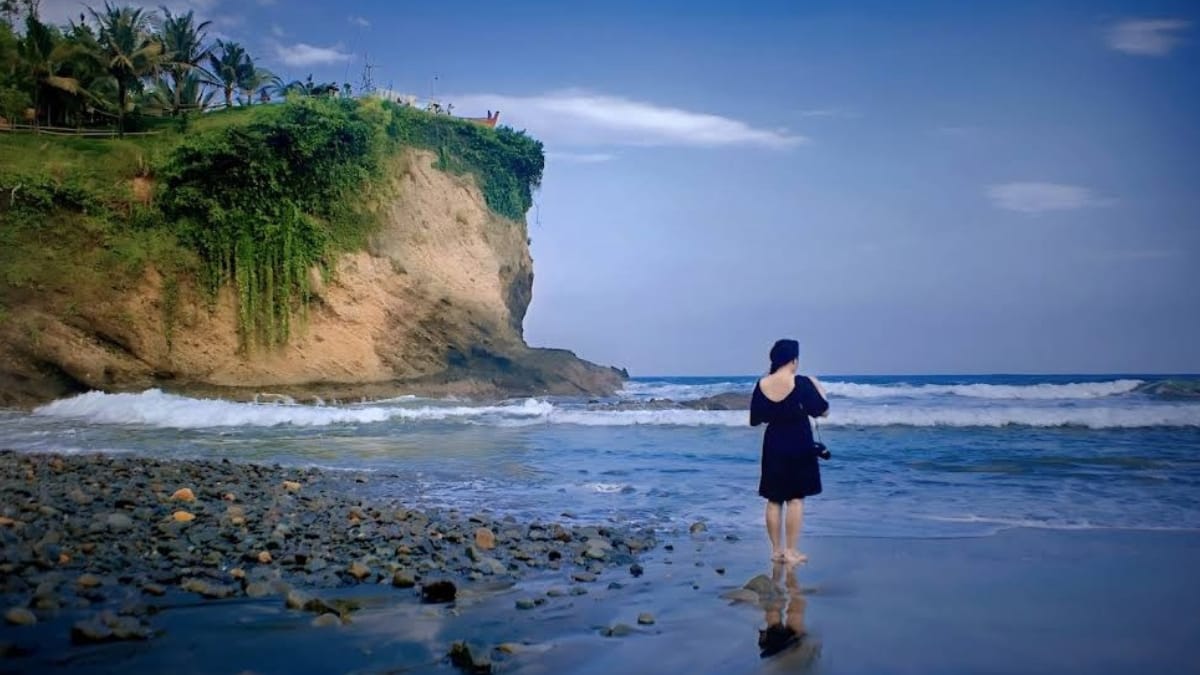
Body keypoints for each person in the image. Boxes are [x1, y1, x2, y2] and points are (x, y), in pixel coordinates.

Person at [750, 338, 829, 564]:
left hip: (774, 443)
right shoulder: (802, 382)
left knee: (774, 499)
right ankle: (792, 551)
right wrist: (819, 388)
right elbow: (822, 412)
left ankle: (776, 552)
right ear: (793, 360)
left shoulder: (762, 384)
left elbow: (756, 419)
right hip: (799, 442)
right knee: (795, 498)